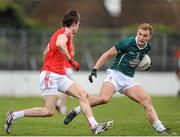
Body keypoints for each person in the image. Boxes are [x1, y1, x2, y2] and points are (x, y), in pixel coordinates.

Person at [4, 9, 113, 135]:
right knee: (48, 111)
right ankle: (14, 115)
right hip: (50, 75)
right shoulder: (65, 33)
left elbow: (46, 52)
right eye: (78, 24)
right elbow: (60, 44)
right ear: (74, 24)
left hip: (58, 75)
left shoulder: (58, 33)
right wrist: (70, 61)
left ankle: (94, 126)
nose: (78, 27)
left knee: (82, 95)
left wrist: (54, 62)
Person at [64, 23, 172, 134]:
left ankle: (161, 129)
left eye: (145, 35)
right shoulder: (126, 43)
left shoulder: (147, 48)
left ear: (149, 37)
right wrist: (95, 69)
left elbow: (136, 59)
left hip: (129, 80)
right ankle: (75, 111)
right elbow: (107, 54)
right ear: (137, 33)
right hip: (115, 74)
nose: (141, 37)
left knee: (147, 101)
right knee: (104, 99)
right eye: (139, 34)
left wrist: (144, 66)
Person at [56, 38, 75, 114]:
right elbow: (71, 55)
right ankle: (62, 106)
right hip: (67, 68)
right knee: (68, 88)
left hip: (66, 68)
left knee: (68, 88)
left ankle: (59, 103)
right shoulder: (67, 43)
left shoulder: (68, 43)